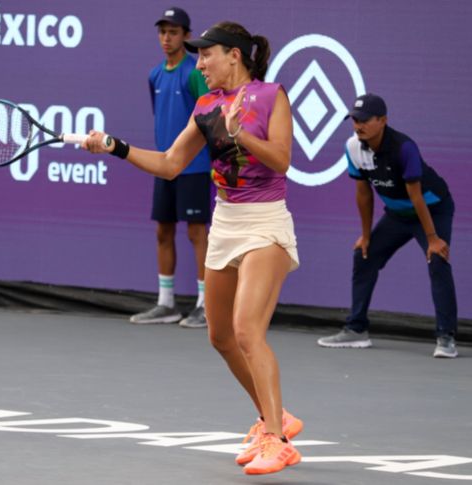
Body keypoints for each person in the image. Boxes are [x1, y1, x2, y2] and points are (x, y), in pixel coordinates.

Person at [83, 21, 304, 475]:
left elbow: (282, 160)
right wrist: (115, 147)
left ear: (234, 57)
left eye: (206, 55)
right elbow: (169, 165)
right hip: (225, 223)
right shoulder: (206, 105)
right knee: (220, 336)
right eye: (197, 55)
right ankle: (273, 416)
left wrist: (239, 134)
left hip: (265, 223)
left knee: (246, 330)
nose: (199, 63)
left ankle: (279, 442)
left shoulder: (271, 96)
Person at [317, 93, 459, 358]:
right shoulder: (353, 146)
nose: (358, 125)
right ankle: (357, 329)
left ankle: (446, 336)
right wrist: (365, 235)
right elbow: (364, 192)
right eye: (354, 120)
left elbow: (416, 196)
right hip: (396, 213)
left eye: (364, 120)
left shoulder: (404, 148)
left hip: (432, 209)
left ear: (382, 121)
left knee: (437, 259)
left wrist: (433, 238)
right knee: (363, 255)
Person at [129, 7, 211, 328]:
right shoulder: (154, 75)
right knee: (163, 230)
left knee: (196, 232)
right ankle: (167, 304)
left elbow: (206, 118)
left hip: (194, 166)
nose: (167, 38)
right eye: (163, 32)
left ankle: (205, 305)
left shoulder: (195, 73)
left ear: (187, 36)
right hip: (164, 167)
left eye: (174, 32)